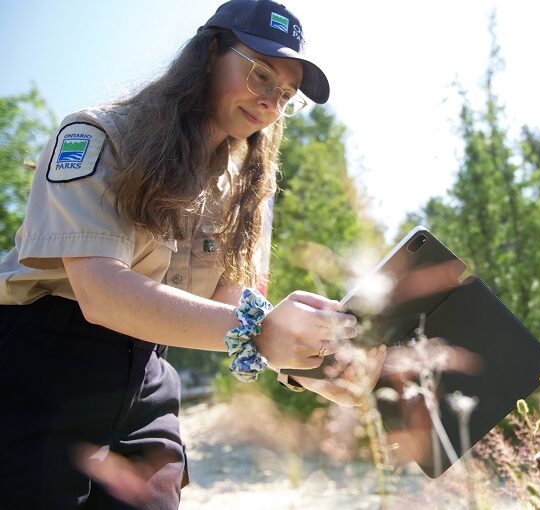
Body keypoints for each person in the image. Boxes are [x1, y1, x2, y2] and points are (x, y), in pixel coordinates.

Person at [0, 1, 379, 508]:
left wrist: (313, 359)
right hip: (43, 366)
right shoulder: (100, 136)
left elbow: (230, 305)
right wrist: (262, 332)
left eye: (286, 95)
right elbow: (102, 295)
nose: (271, 102)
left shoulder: (247, 193)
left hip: (148, 378)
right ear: (209, 53)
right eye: (261, 74)